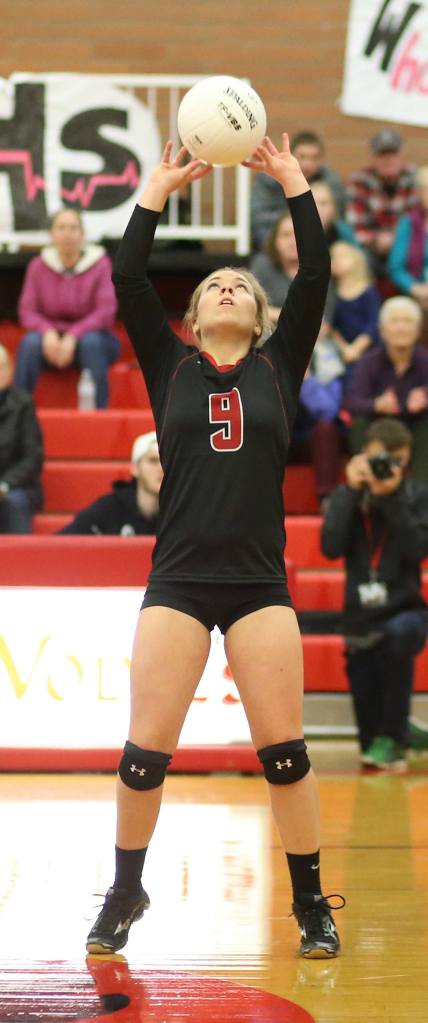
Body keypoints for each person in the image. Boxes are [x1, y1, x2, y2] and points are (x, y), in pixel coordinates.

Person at [86, 134, 344, 960]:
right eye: (214, 286)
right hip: (180, 580)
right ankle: (127, 889)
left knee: (287, 755)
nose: (228, 286)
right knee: (140, 759)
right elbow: (127, 278)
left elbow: (314, 275)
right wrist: (156, 188)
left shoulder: (279, 367)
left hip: (260, 583)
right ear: (194, 318)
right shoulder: (169, 367)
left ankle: (310, 903)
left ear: (260, 318)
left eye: (240, 284)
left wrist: (295, 182)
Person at [321, 418, 428, 770]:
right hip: (361, 615)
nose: (389, 467)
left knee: (395, 636)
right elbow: (330, 547)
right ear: (365, 453)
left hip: (407, 611)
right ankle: (401, 731)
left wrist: (392, 498)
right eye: (383, 459)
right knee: (370, 747)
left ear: (408, 458)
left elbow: (417, 551)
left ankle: (396, 734)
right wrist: (351, 492)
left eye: (397, 460)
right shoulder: (348, 495)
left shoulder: (416, 495)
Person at [15, 209, 121, 408]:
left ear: (82, 234)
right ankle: (19, 411)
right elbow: (26, 311)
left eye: (73, 228)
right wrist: (47, 332)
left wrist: (73, 335)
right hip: (50, 341)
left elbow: (106, 311)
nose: (67, 234)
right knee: (30, 343)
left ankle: (100, 414)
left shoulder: (101, 264)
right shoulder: (38, 266)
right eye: (61, 228)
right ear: (51, 234)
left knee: (92, 343)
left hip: (94, 340)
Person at [344, 296, 428, 481]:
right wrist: (376, 404)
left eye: (407, 322)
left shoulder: (425, 359)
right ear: (382, 330)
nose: (401, 327)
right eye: (395, 321)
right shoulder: (369, 361)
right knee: (361, 423)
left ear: (417, 330)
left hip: (416, 426)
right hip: (380, 426)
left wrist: (424, 399)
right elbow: (351, 400)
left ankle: (422, 491)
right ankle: (368, 482)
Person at [251, 130, 346, 250]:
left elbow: (341, 218)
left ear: (322, 160)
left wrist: (327, 217)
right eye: (302, 157)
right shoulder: (269, 178)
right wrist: (302, 217)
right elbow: (259, 218)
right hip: (275, 241)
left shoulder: (330, 180)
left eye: (314, 158)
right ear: (291, 156)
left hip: (323, 241)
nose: (308, 164)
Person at [346, 130, 417, 286]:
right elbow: (354, 228)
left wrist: (397, 239)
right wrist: (376, 240)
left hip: (407, 248)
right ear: (373, 158)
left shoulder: (416, 179)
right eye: (382, 154)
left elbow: (419, 222)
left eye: (392, 154)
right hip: (372, 252)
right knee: (356, 256)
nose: (388, 159)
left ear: (402, 156)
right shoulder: (359, 181)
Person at [58, 432, 161, 535]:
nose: (161, 468)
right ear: (135, 468)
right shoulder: (110, 508)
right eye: (153, 461)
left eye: (165, 462)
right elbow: (63, 542)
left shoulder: (176, 514)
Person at [287, 325, 346, 506]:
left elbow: (328, 412)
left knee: (326, 428)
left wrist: (306, 380)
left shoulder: (329, 365)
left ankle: (327, 500)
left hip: (311, 441)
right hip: (278, 439)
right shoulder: (266, 362)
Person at [250, 210, 335, 327]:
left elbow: (324, 323)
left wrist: (276, 315)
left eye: (299, 235)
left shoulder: (320, 269)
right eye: (286, 235)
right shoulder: (262, 264)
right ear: (275, 239)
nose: (293, 242)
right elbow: (252, 310)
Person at [0, 344, 43, 533]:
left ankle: (20, 561)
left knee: (14, 502)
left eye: (1, 366)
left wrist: (4, 485)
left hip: (17, 486)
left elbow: (33, 457)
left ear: (11, 370)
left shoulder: (23, 404)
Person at [387, 166, 428, 342]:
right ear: (419, 194)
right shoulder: (408, 223)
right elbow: (395, 267)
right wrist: (416, 289)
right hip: (416, 295)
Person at [330, 241, 381, 376]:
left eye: (343, 256)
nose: (337, 261)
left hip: (369, 349)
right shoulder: (331, 292)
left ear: (357, 260)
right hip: (342, 351)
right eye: (333, 257)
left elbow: (373, 324)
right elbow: (332, 326)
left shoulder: (368, 291)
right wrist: (345, 348)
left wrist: (356, 348)